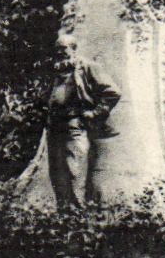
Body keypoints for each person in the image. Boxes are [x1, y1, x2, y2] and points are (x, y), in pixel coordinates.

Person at [45, 34, 120, 211]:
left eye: (63, 49)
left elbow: (113, 92)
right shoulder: (56, 71)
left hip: (74, 125)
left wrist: (94, 113)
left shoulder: (87, 67)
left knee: (75, 168)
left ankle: (78, 212)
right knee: (57, 170)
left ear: (73, 48)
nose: (60, 53)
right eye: (57, 49)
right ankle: (63, 212)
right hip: (55, 125)